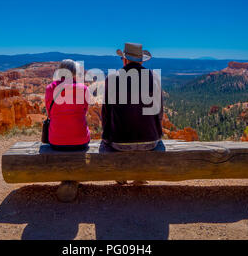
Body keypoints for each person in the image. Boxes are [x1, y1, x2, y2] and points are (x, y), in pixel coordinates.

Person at [101, 43, 163, 184]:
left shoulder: (112, 79)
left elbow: (106, 113)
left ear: (124, 60)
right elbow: (159, 112)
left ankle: (121, 173)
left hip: (119, 142)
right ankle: (139, 175)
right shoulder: (155, 78)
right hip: (150, 141)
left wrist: (106, 137)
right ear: (141, 61)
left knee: (109, 142)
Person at [45, 59, 90, 151]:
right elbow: (85, 111)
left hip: (56, 142)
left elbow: (49, 113)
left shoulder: (49, 88)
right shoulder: (84, 89)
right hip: (81, 141)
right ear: (75, 72)